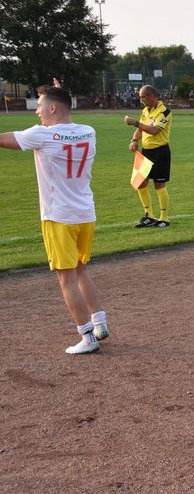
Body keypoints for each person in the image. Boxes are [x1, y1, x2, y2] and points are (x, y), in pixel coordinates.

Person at [0, 81, 109, 354]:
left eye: (39, 106)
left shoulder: (42, 135)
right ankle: (100, 322)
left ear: (51, 108)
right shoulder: (89, 131)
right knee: (81, 270)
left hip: (59, 216)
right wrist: (61, 90)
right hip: (86, 213)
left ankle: (87, 337)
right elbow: (64, 128)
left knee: (66, 278)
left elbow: (4, 139)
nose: (36, 112)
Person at [124, 85, 173, 228]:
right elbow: (141, 130)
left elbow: (154, 130)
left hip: (160, 151)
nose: (141, 99)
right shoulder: (145, 110)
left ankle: (164, 218)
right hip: (146, 152)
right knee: (140, 183)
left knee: (159, 184)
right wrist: (134, 140)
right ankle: (149, 216)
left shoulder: (164, 112)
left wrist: (135, 122)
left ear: (152, 96)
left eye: (143, 96)